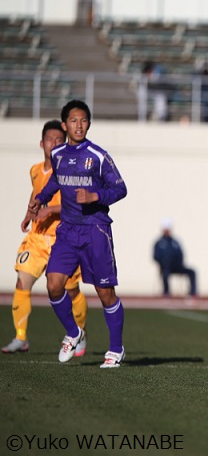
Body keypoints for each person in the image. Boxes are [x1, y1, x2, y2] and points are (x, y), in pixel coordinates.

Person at [27, 99, 128, 368]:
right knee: (53, 284)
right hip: (68, 231)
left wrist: (96, 195)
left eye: (83, 120)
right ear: (65, 125)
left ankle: (116, 349)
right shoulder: (59, 154)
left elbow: (120, 189)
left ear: (89, 123)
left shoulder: (98, 155)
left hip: (95, 229)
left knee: (105, 293)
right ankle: (74, 333)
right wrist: (40, 198)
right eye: (73, 121)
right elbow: (56, 181)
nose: (79, 125)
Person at [2, 120, 88, 355]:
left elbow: (77, 206)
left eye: (59, 140)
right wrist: (28, 215)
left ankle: (80, 331)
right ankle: (21, 337)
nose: (54, 143)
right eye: (50, 139)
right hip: (38, 239)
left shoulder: (73, 172)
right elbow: (37, 195)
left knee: (71, 291)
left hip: (64, 239)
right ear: (42, 143)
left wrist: (50, 211)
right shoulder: (35, 170)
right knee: (22, 282)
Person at [153, 218, 197, 297]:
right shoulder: (159, 243)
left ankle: (192, 293)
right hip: (166, 267)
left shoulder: (175, 242)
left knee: (192, 272)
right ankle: (166, 293)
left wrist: (178, 262)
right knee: (165, 273)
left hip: (177, 266)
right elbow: (155, 256)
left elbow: (181, 254)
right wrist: (164, 262)